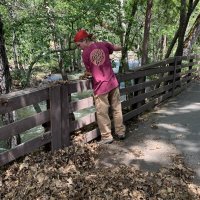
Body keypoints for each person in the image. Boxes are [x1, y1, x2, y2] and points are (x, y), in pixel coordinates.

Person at [74, 29, 125, 144]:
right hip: (113, 82)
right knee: (117, 109)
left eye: (79, 45)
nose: (79, 47)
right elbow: (115, 48)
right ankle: (120, 132)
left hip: (101, 87)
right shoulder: (103, 44)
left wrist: (84, 75)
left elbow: (90, 72)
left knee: (102, 113)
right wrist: (123, 47)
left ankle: (107, 137)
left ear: (85, 40)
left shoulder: (85, 53)